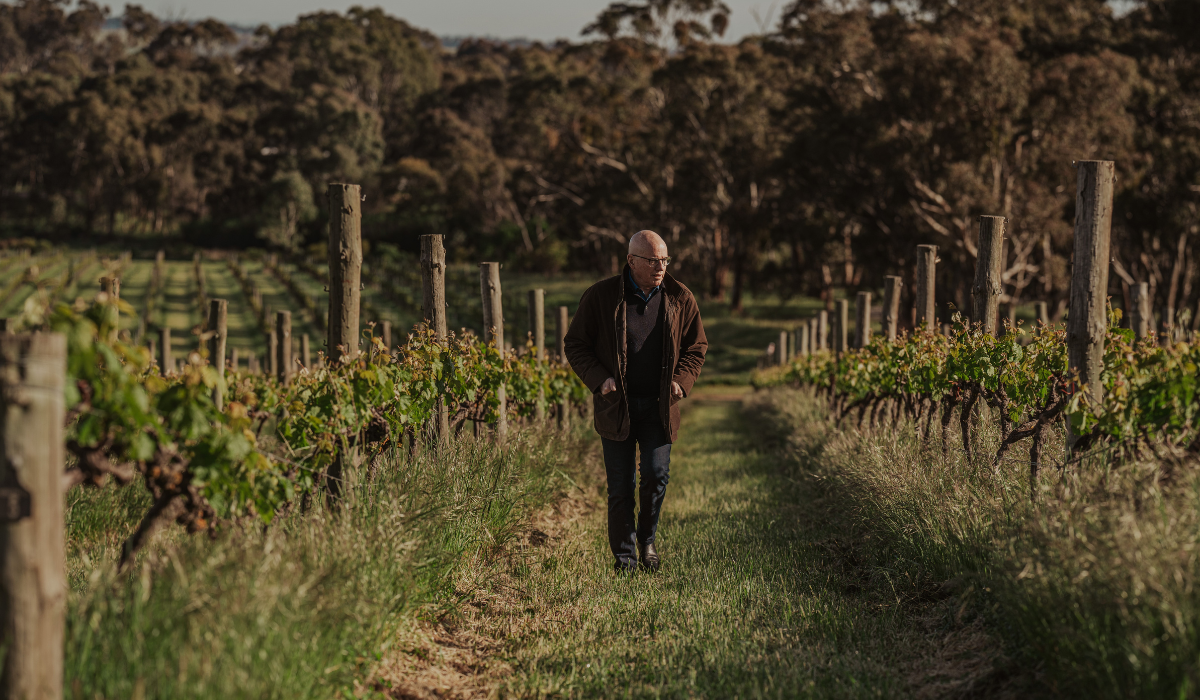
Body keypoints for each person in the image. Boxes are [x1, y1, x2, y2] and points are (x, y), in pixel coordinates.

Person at [564, 230, 708, 573]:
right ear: (631, 261)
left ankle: (646, 540)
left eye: (664, 260)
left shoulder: (680, 297)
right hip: (617, 406)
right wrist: (600, 380)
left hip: (660, 408)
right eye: (653, 260)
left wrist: (680, 381)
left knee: (656, 477)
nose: (660, 267)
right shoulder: (600, 296)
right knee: (621, 487)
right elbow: (575, 344)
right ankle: (625, 560)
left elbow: (697, 347)